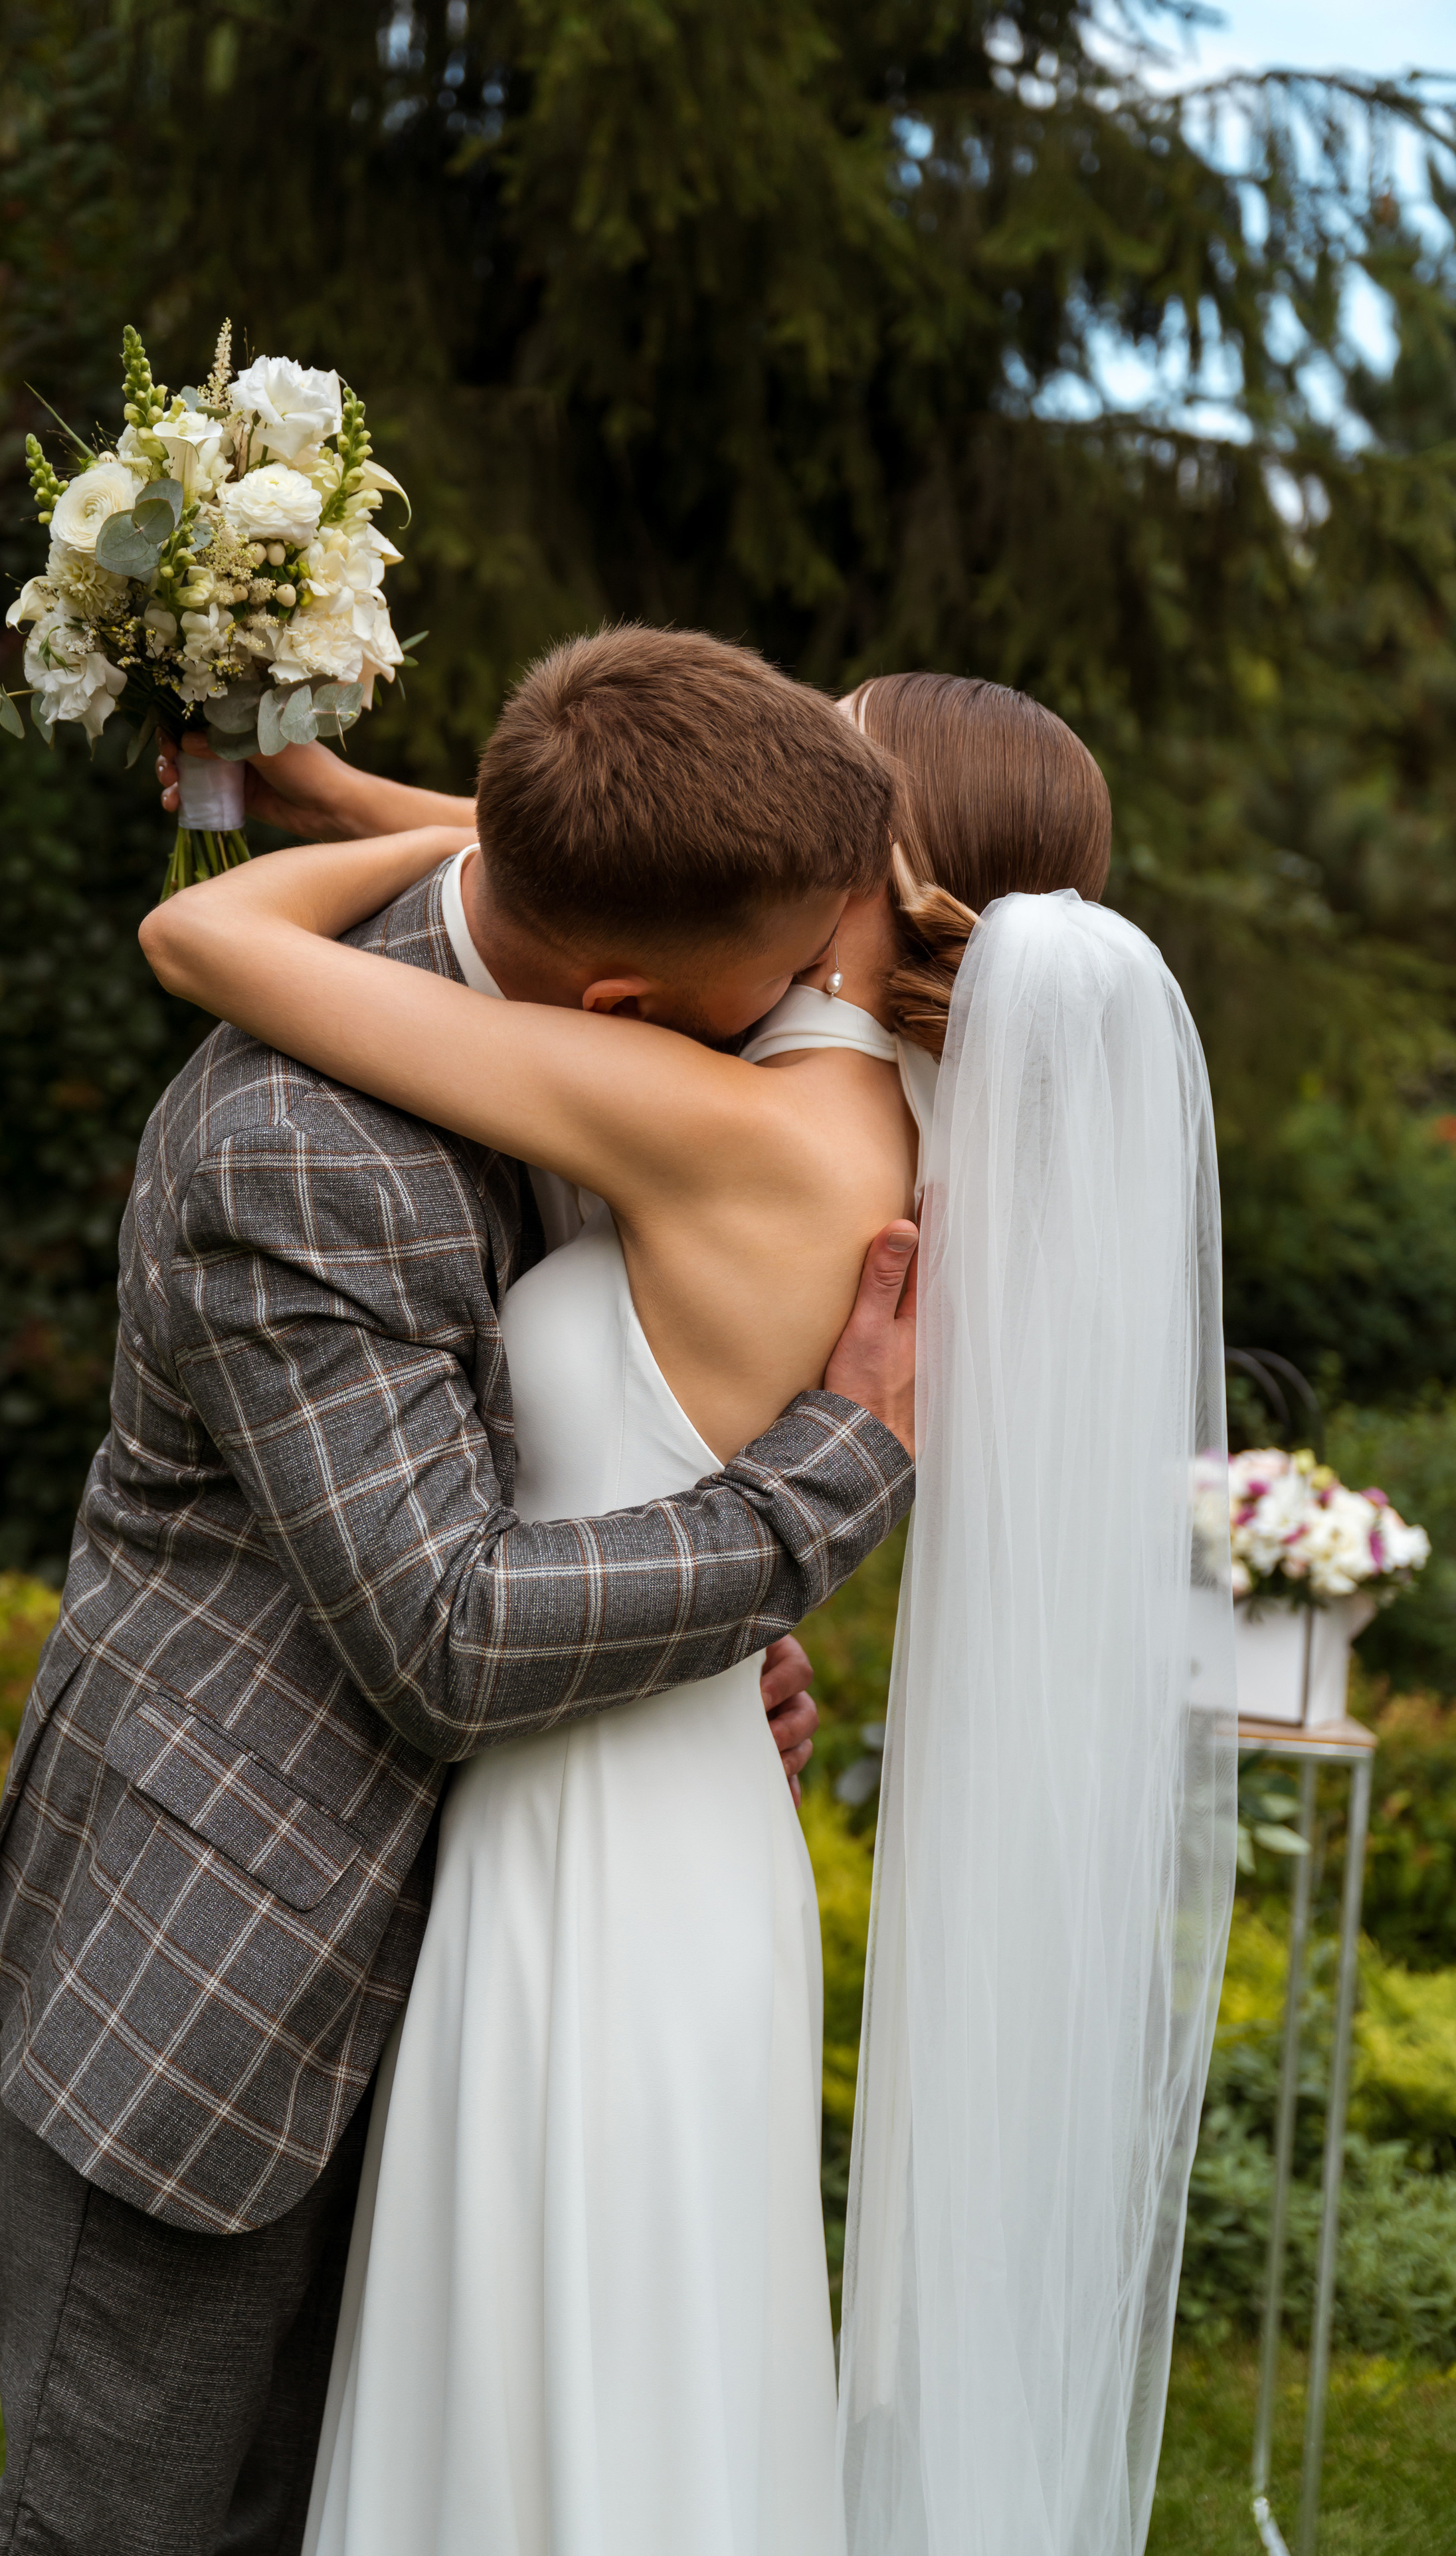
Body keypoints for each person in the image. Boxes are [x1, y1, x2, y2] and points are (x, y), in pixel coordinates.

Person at [141, 655, 1235, 2554]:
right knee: (643, 2390)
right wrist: (328, 787)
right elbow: (598, 887)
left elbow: (210, 935)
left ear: (850, 885)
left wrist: (296, 827)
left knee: (541, 2399)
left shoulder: (716, 1121)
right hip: (683, 1817)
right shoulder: (867, 1122)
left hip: (584, 1848)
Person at [0, 626, 924, 2556]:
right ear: (627, 991)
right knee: (125, 2531)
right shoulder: (299, 1138)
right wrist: (825, 1487)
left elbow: (562, 1431)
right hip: (233, 1951)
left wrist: (696, 1644)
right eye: (793, 965)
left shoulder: (596, 1017)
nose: (819, 989)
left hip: (515, 1959)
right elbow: (455, 1634)